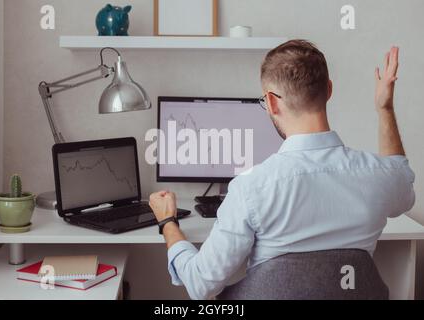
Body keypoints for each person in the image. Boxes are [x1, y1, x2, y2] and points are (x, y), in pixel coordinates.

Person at [149, 40, 415, 300]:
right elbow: (401, 180)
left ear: (272, 103)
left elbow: (200, 284)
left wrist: (167, 223)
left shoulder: (251, 188)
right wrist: (385, 108)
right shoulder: (376, 176)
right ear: (329, 90)